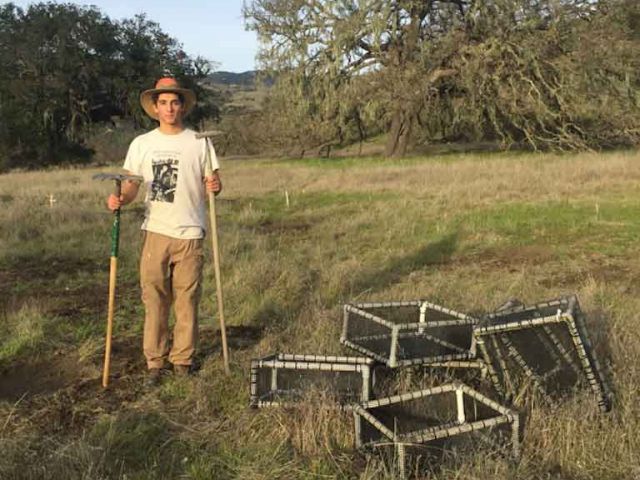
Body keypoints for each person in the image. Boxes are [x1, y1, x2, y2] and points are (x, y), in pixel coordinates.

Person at [106, 77, 222, 386]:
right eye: (163, 103)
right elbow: (132, 184)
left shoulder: (200, 141)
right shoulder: (142, 144)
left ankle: (182, 360)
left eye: (174, 102)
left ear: (182, 106)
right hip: (155, 231)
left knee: (187, 299)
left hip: (191, 232)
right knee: (154, 299)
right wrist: (121, 199)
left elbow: (212, 182)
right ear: (155, 108)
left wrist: (215, 185)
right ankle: (155, 363)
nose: (169, 108)